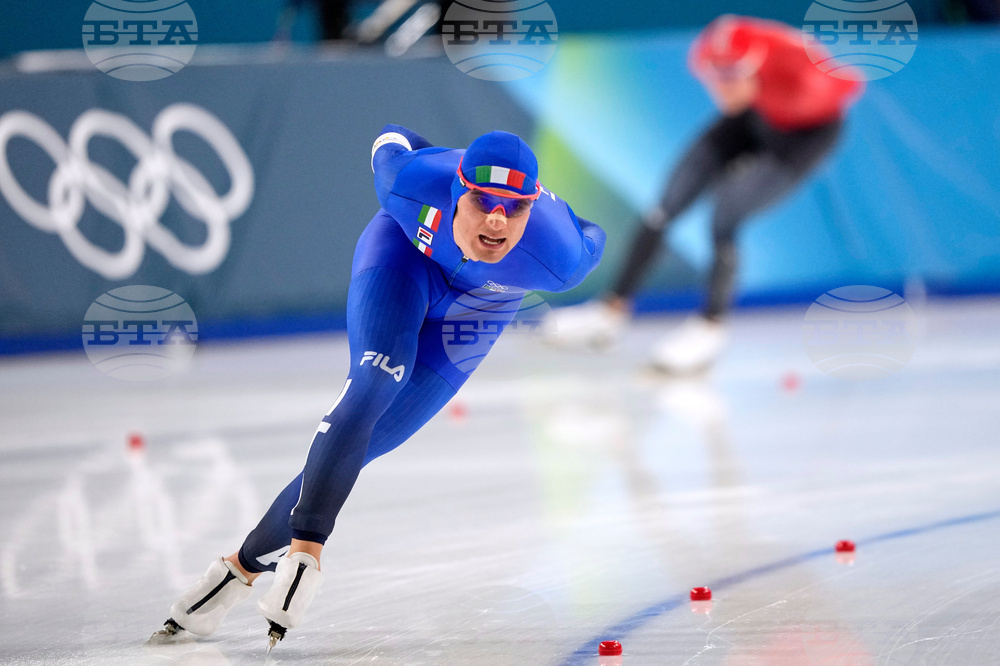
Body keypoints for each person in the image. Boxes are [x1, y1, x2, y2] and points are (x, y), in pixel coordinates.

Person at [148, 127, 605, 649]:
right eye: (483, 201)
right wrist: (434, 151)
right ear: (458, 189)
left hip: (476, 313)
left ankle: (237, 569)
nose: (498, 220)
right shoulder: (410, 182)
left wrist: (557, 210)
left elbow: (594, 233)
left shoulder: (561, 257)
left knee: (367, 443)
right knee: (371, 383)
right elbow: (393, 138)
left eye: (515, 208)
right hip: (402, 262)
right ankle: (306, 552)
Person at [545, 15, 864, 374]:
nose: (721, 90)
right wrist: (747, 94)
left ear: (756, 67)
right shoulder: (714, 56)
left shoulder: (808, 76)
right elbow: (732, 60)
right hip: (755, 114)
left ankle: (710, 327)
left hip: (806, 136)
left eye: (731, 79)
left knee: (725, 216)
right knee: (664, 207)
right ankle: (610, 312)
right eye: (716, 79)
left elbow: (853, 84)